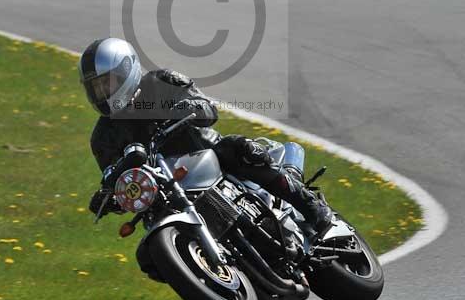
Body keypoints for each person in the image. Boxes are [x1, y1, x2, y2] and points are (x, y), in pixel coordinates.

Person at [79, 37, 333, 238]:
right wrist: (109, 196)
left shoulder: (161, 82)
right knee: (151, 256)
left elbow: (207, 109)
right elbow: (119, 180)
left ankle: (308, 203)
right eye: (96, 88)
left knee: (239, 149)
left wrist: (189, 108)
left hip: (207, 157)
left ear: (127, 70)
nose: (102, 93)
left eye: (107, 84)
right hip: (166, 192)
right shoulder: (102, 138)